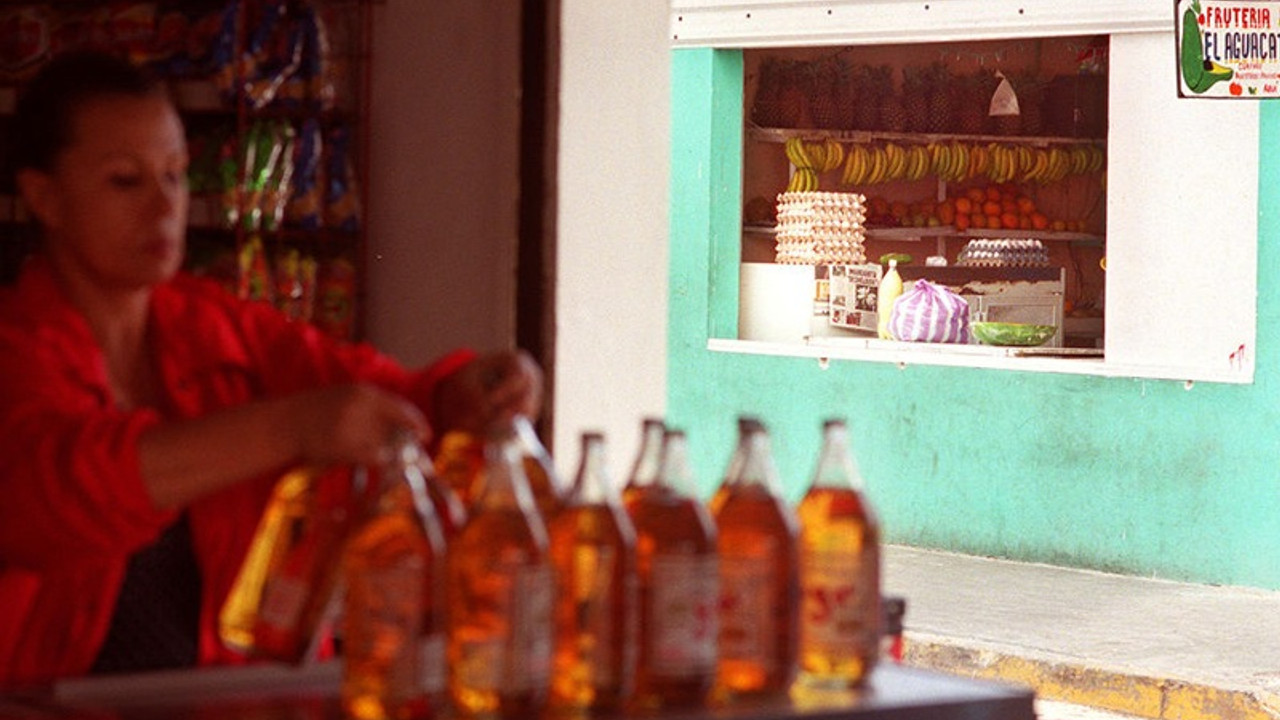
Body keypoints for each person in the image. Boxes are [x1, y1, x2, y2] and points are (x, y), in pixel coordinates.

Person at [0, 51, 542, 687]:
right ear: (45, 197)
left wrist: (463, 394)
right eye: (127, 181)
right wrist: (287, 429)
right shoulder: (17, 346)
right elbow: (51, 493)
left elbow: (377, 392)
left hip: (228, 698)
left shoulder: (217, 326)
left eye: (176, 176)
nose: (163, 207)